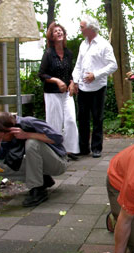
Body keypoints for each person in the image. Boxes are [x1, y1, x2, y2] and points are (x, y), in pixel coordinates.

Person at [0, 112, 67, 207]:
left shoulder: (28, 122)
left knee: (31, 143)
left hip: (58, 162)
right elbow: (0, 156)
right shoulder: (7, 136)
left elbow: (58, 138)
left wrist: (27, 135)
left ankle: (37, 189)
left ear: (8, 130)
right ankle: (43, 179)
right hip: (41, 165)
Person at [70, 16, 118, 158]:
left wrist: (95, 75)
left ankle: (96, 148)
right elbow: (78, 65)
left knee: (97, 118)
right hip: (83, 87)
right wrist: (75, 82)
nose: (80, 29)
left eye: (82, 27)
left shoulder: (104, 44)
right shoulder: (82, 44)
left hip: (98, 87)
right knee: (82, 118)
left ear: (91, 28)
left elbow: (113, 65)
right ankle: (83, 147)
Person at [38, 22, 80, 161]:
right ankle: (55, 151)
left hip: (67, 94)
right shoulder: (48, 53)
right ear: (51, 36)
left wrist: (72, 83)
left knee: (71, 120)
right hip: (52, 94)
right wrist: (56, 80)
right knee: (54, 122)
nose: (59, 32)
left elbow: (71, 72)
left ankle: (70, 150)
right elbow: (42, 74)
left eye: (60, 30)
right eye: (55, 31)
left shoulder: (68, 53)